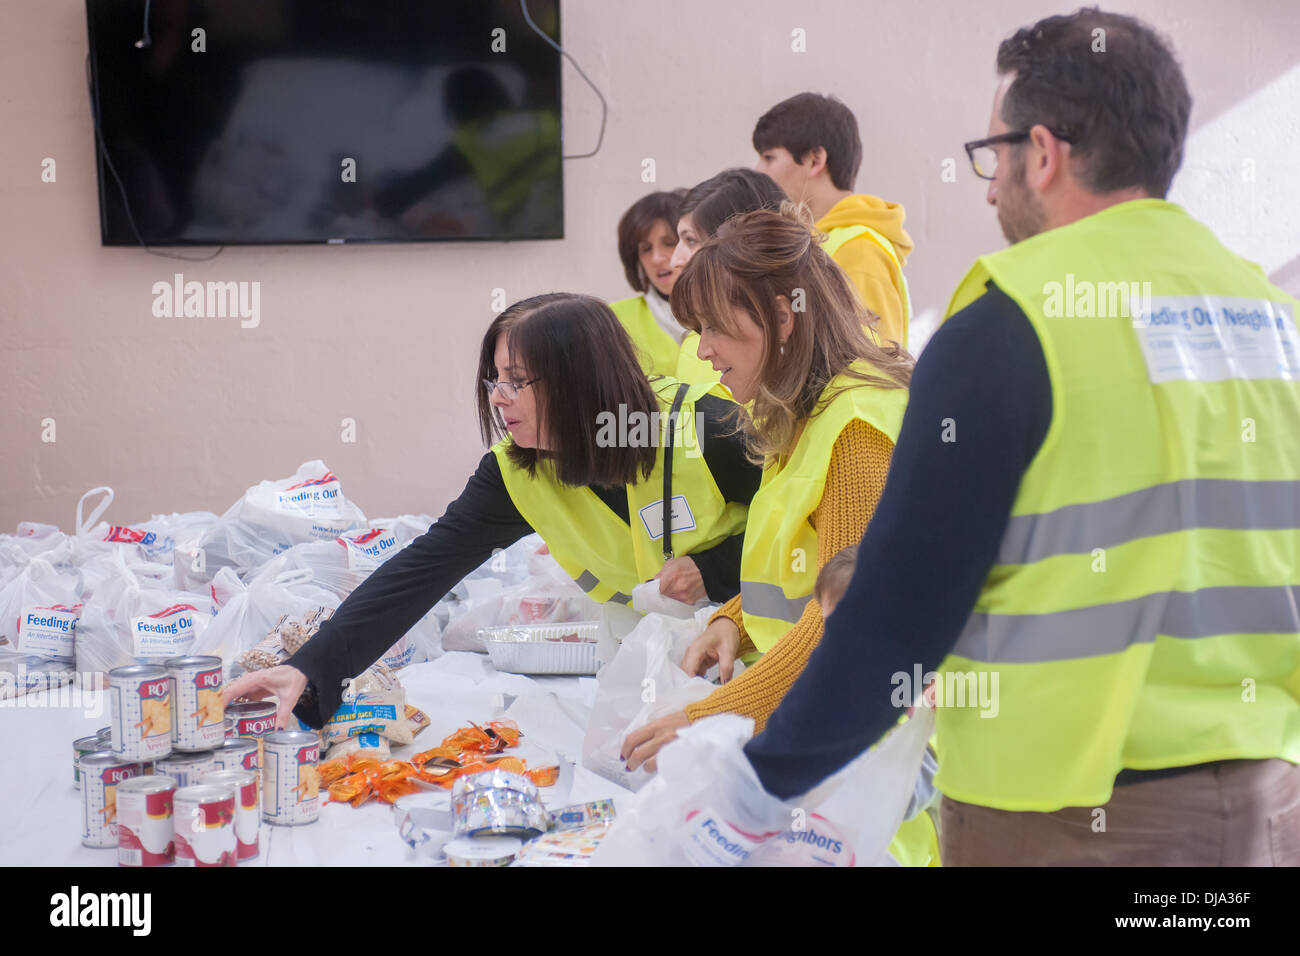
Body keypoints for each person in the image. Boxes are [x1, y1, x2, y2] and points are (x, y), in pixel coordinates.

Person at [738, 7, 1300, 866]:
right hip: (1265, 804)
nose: (989, 185)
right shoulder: (1272, 318)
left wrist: (750, 789)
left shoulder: (1011, 322)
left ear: (1043, 152)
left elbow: (900, 614)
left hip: (1069, 819)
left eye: (992, 155)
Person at [224, 293, 761, 728]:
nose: (498, 398)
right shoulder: (516, 470)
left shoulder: (705, 429)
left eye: (517, 380)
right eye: (494, 380)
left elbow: (819, 531)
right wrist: (308, 670)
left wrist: (715, 570)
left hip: (763, 662)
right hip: (661, 671)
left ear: (580, 380)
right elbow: (423, 569)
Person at [619, 203, 936, 863]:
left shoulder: (856, 427)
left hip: (847, 776)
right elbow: (797, 573)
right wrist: (733, 617)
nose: (703, 351)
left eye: (715, 329)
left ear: (783, 318)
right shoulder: (804, 415)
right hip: (803, 744)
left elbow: (847, 626)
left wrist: (707, 720)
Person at [754, 92, 914, 349]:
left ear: (815, 160)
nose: (759, 170)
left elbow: (875, 370)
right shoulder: (815, 241)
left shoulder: (859, 249)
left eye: (769, 157)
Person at [609, 190, 716, 382]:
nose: (657, 258)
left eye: (669, 243)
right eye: (645, 249)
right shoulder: (613, 320)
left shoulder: (730, 312)